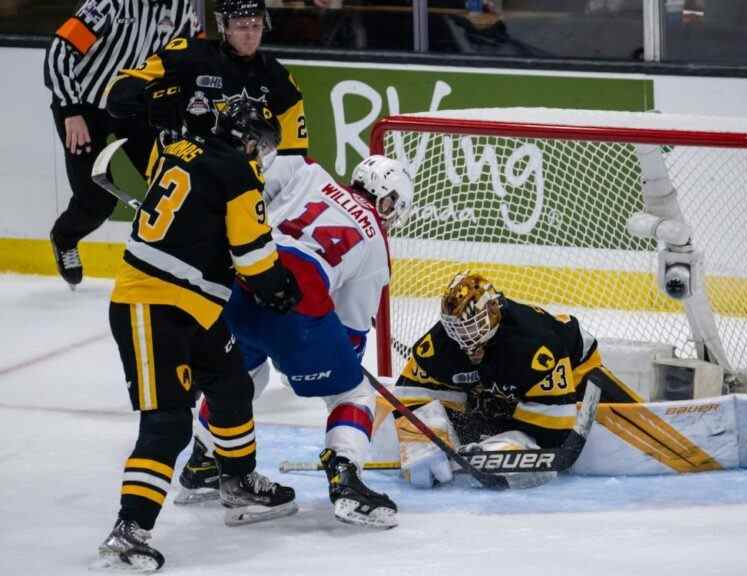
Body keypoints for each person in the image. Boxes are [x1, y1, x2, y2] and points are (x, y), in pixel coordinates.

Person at [97, 91, 303, 571]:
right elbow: (253, 257)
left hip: (196, 305)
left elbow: (194, 219)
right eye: (260, 143)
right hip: (150, 304)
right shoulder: (237, 175)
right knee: (169, 423)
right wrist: (276, 287)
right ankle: (129, 530)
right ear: (243, 140)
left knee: (231, 386)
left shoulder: (181, 149)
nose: (262, 154)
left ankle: (237, 482)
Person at [176, 153, 413, 529]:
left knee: (242, 376)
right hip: (296, 310)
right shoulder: (376, 245)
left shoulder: (309, 172)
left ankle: (203, 460)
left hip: (240, 286)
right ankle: (345, 479)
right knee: (352, 395)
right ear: (387, 200)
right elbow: (352, 329)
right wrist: (327, 364)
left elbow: (246, 202)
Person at [390, 271, 642, 488]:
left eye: (474, 328)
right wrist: (423, 435)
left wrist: (500, 426)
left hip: (577, 367)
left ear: (493, 312)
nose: (467, 341)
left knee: (541, 425)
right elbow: (408, 395)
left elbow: (556, 433)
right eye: (458, 330)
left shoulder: (533, 346)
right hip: (505, 384)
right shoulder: (441, 343)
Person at [44, 0, 201, 289]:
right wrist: (70, 110)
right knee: (96, 202)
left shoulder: (182, 8)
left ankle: (172, 261)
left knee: (171, 178)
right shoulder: (111, 4)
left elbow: (196, 56)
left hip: (133, 109)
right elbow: (60, 51)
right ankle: (65, 236)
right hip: (83, 107)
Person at [107, 0, 308, 179]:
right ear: (224, 27)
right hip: (182, 170)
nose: (250, 35)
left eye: (256, 26)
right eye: (241, 27)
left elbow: (293, 154)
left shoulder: (279, 78)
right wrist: (148, 100)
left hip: (241, 180)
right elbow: (120, 94)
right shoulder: (189, 55)